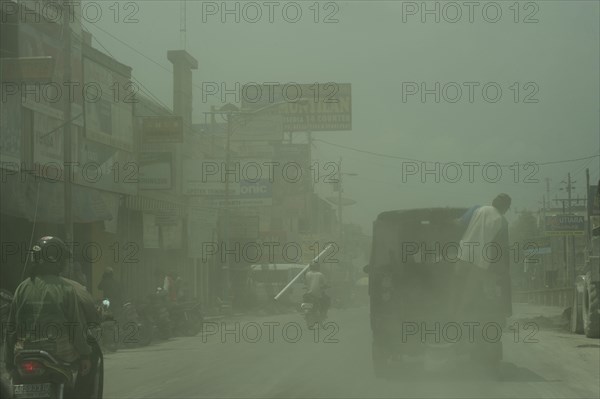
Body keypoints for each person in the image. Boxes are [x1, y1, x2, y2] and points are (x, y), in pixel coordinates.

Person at [4, 236, 93, 391]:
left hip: (23, 351)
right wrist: (85, 355)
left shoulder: (21, 288)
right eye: (64, 260)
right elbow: (75, 327)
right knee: (85, 370)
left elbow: (11, 329)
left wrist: (9, 361)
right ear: (56, 261)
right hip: (57, 352)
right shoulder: (66, 289)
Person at [454, 193, 513, 328]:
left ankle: (450, 314)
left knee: (456, 285)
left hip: (463, 255)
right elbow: (502, 249)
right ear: (505, 208)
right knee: (468, 293)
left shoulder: (476, 209)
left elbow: (458, 224)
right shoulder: (502, 221)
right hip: (480, 263)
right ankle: (458, 321)